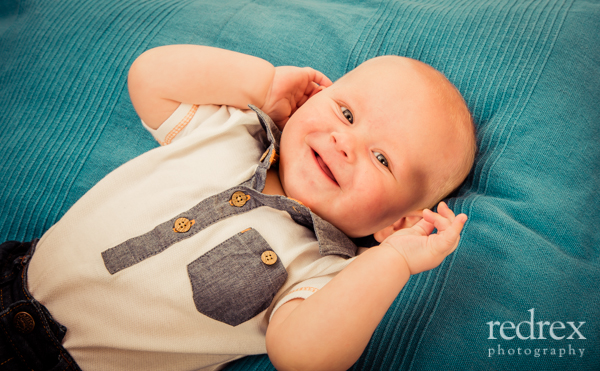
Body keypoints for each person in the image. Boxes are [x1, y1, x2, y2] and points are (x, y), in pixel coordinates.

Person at [3, 45, 475, 371]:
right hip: (13, 272)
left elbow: (303, 357)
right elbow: (150, 76)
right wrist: (262, 83)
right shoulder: (231, 130)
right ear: (315, 98)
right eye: (346, 114)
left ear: (398, 222)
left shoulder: (321, 270)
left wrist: (393, 261)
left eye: (382, 158)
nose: (345, 142)